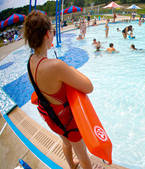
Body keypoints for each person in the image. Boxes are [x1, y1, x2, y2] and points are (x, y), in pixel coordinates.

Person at [24, 11, 93, 169]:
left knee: (65, 143)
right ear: (48, 34)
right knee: (83, 156)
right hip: (66, 120)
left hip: (51, 116)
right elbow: (89, 87)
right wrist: (69, 69)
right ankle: (77, 163)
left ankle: (71, 165)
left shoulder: (30, 62)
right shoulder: (55, 66)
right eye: (53, 32)